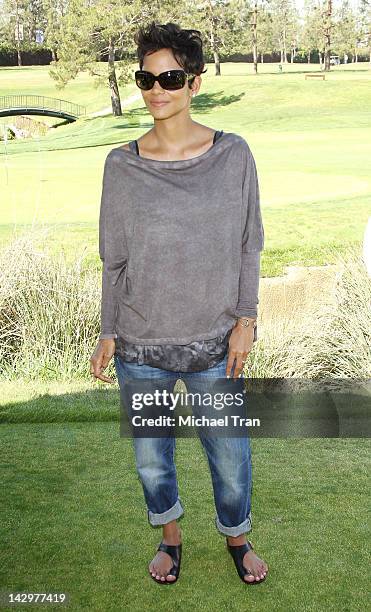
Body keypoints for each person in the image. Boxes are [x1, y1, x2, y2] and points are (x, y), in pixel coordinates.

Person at [90, 21, 268, 586]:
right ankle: (171, 538)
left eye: (169, 77)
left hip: (217, 342)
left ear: (194, 81)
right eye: (145, 78)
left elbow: (250, 241)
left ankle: (236, 538)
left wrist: (246, 319)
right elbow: (113, 259)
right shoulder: (121, 166)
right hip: (140, 345)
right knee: (151, 460)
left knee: (231, 461)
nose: (155, 90)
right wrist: (107, 331)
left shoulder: (233, 155)